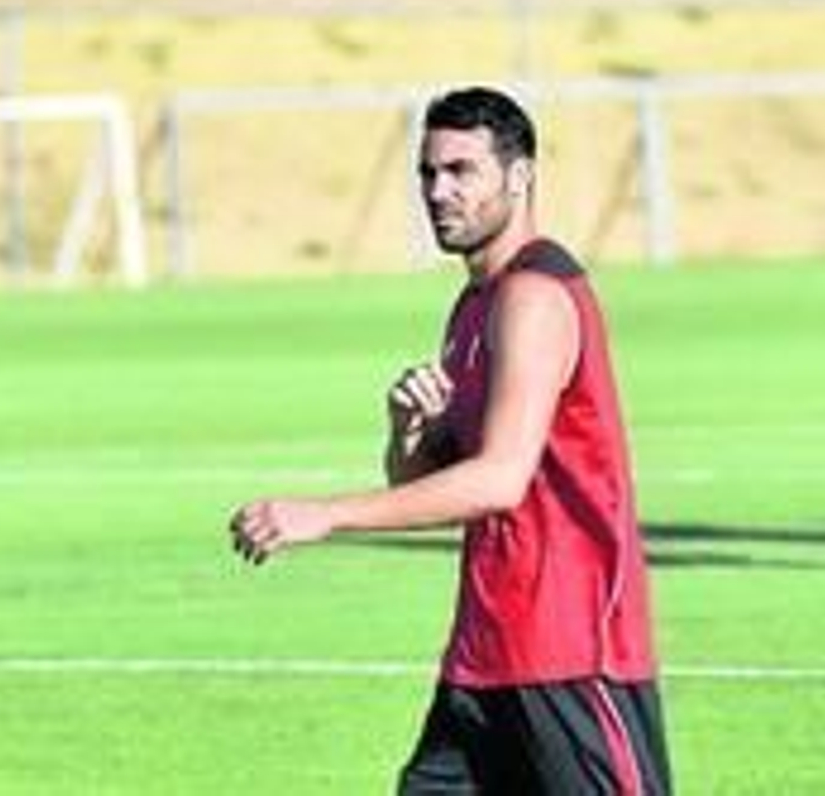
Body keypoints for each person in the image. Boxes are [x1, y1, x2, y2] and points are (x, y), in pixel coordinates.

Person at [229, 87, 673, 794]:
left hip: (569, 651)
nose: (439, 191)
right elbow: (433, 479)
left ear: (519, 176)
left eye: (461, 171)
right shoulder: (474, 304)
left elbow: (499, 480)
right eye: (428, 173)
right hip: (486, 656)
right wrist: (410, 431)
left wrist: (326, 513)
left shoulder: (534, 297)